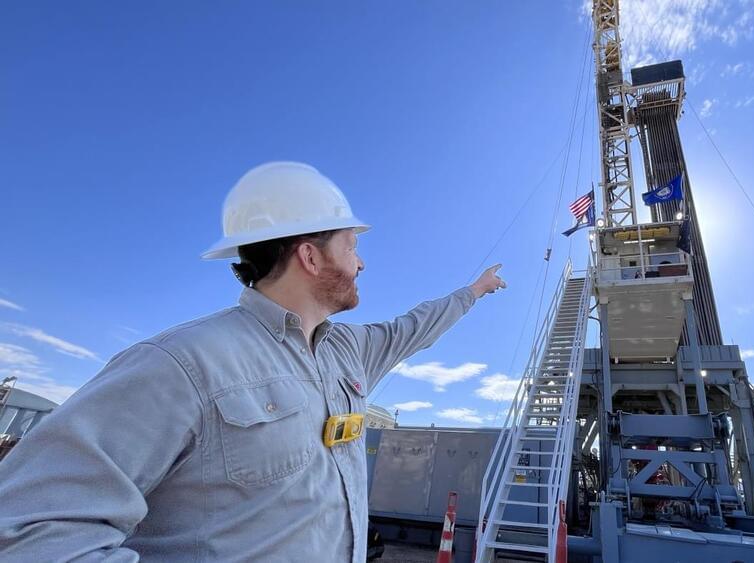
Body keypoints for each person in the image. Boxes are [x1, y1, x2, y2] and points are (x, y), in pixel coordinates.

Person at [0, 162, 505, 562]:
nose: (361, 262)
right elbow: (29, 528)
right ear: (310, 257)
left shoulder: (349, 351)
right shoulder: (183, 363)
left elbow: (413, 327)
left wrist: (474, 292)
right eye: (351, 246)